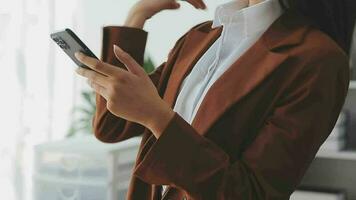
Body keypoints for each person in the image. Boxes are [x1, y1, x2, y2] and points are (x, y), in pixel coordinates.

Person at [74, 0, 353, 199]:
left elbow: (252, 193)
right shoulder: (200, 37)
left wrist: (157, 118)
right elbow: (112, 126)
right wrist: (138, 14)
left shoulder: (317, 60)